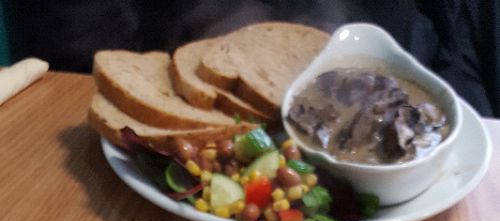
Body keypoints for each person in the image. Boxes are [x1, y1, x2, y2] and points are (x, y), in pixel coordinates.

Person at [4, 0, 499, 116]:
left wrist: (459, 102)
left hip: (401, 76)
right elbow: (78, 41)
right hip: (194, 77)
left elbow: (460, 26)